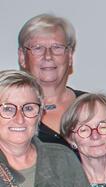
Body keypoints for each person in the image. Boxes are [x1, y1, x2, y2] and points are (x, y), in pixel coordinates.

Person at [17, 14, 83, 147]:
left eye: (57, 47)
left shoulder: (92, 106)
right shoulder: (9, 114)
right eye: (38, 48)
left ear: (69, 56)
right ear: (22, 57)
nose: (48, 56)